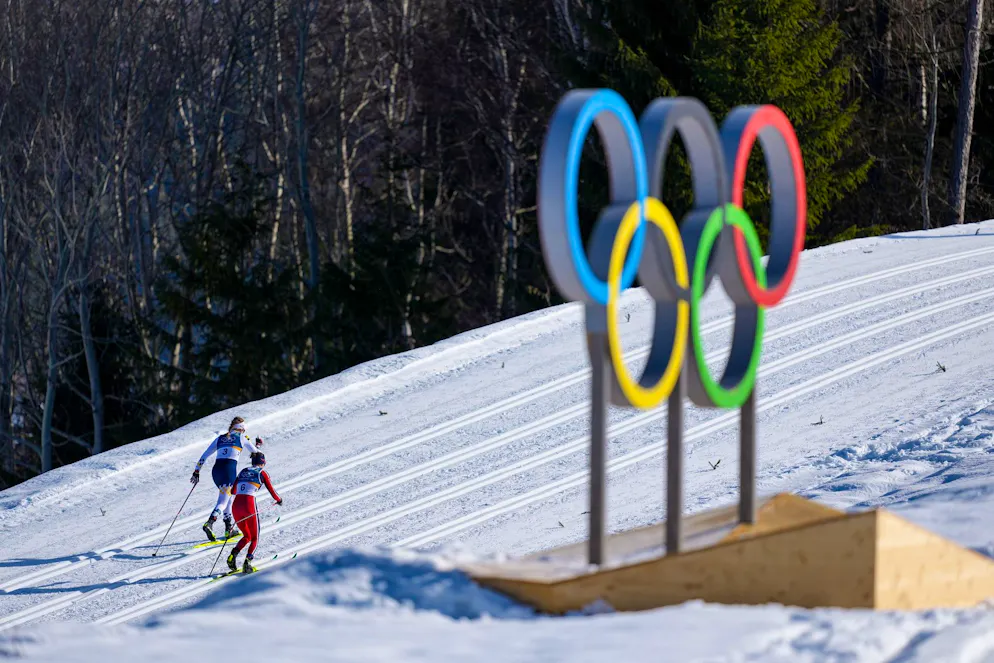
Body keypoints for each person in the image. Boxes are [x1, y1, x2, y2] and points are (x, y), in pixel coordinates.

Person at [190, 416, 264, 542]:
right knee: (223, 501)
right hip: (228, 472)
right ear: (242, 429)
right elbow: (257, 454)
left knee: (229, 497)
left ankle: (228, 528)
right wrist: (259, 444)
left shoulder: (220, 438)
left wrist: (196, 472)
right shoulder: (242, 438)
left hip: (216, 472)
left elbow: (204, 456)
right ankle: (210, 522)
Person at [227, 451, 282, 574]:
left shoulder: (243, 471)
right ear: (263, 462)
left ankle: (233, 555)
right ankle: (247, 562)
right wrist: (279, 500)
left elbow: (233, 491)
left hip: (235, 506)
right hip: (248, 505)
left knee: (246, 536)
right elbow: (272, 491)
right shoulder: (262, 473)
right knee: (255, 538)